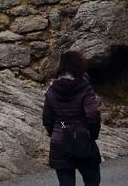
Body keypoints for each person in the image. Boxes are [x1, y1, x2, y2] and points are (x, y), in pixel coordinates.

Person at [42, 50, 102, 186]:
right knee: (93, 180)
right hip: (83, 141)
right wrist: (92, 134)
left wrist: (57, 132)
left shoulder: (51, 90)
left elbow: (47, 118)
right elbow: (93, 116)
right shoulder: (84, 88)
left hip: (60, 142)